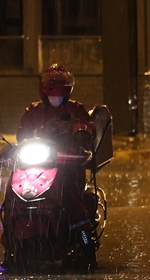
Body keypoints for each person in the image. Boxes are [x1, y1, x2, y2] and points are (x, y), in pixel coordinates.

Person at [17, 63, 97, 225]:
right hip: (38, 162)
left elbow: (89, 129)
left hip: (67, 162)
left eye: (60, 96)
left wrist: (76, 128)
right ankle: (13, 223)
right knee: (18, 189)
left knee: (72, 197)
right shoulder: (33, 110)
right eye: (52, 95)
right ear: (44, 92)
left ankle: (82, 230)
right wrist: (43, 129)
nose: (56, 99)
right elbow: (21, 135)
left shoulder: (75, 108)